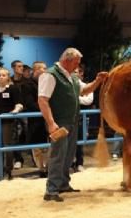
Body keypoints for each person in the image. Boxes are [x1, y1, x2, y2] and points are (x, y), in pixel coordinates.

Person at [38, 48, 107, 202]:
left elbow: (85, 91)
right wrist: (51, 123)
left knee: (68, 155)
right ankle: (51, 190)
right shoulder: (50, 75)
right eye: (76, 62)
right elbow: (42, 100)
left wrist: (97, 80)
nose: (78, 66)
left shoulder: (73, 77)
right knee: (58, 155)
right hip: (59, 122)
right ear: (67, 60)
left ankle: (63, 184)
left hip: (72, 121)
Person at [22, 61, 49, 178]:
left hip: (48, 118)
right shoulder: (27, 85)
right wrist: (45, 109)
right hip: (36, 120)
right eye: (44, 68)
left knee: (49, 146)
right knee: (37, 147)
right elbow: (29, 103)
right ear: (36, 70)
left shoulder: (47, 83)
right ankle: (41, 169)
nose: (46, 70)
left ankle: (48, 168)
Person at [72, 65, 94, 173]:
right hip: (68, 117)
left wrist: (74, 98)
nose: (75, 74)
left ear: (81, 74)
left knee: (80, 141)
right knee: (67, 142)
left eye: (77, 72)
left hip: (81, 117)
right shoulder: (67, 86)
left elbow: (89, 100)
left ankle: (79, 163)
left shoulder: (86, 86)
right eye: (73, 72)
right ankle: (70, 163)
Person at [11, 60, 29, 169]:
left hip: (26, 111)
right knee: (14, 135)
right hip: (13, 111)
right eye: (19, 66)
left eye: (22, 66)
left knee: (28, 132)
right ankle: (18, 159)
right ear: (13, 68)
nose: (21, 68)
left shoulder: (27, 81)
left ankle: (34, 157)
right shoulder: (10, 81)